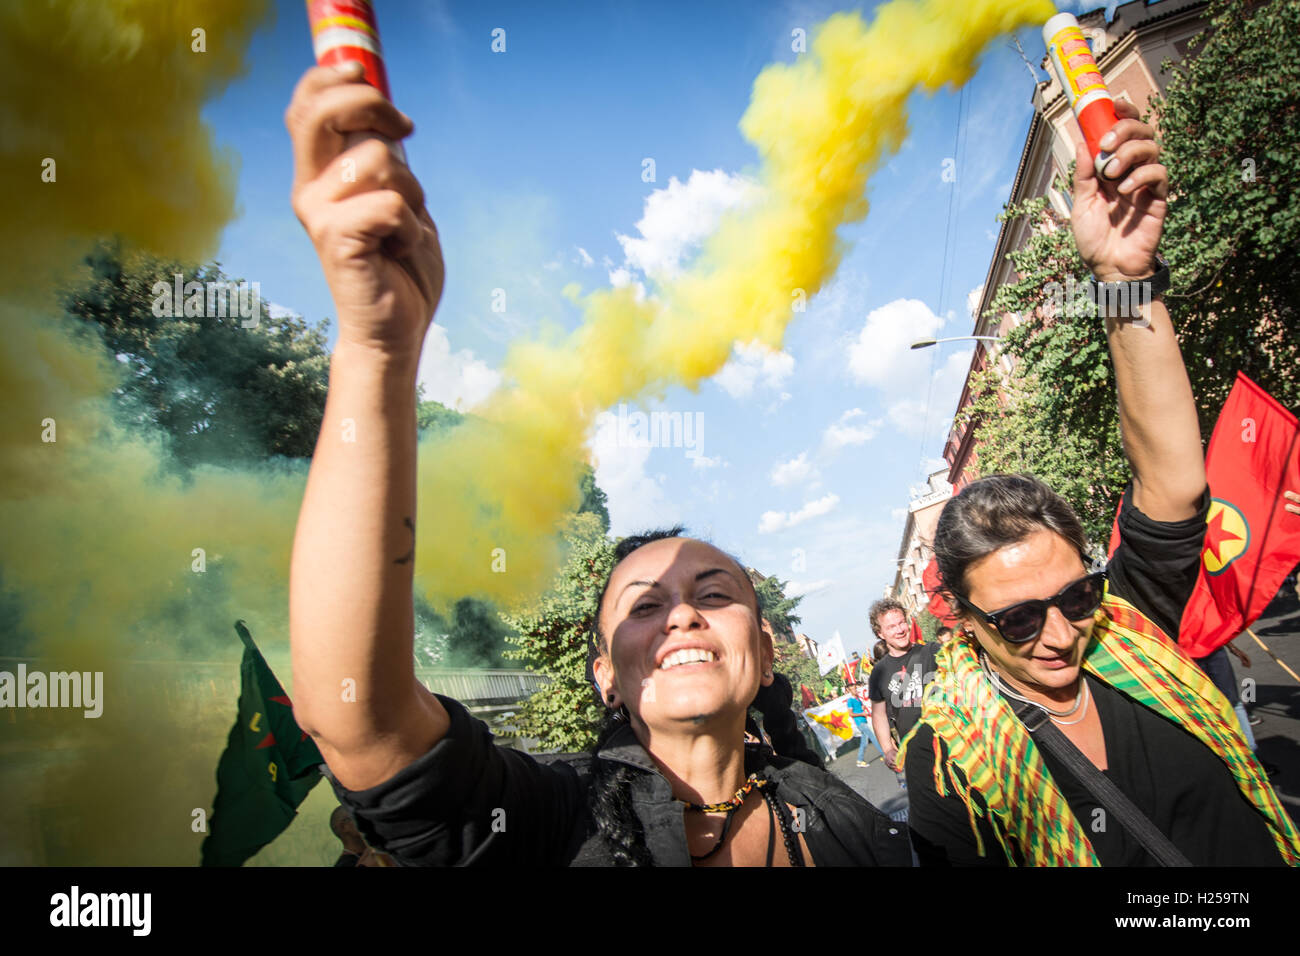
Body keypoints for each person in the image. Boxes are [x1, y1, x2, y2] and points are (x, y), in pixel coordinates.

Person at [282, 65, 909, 866]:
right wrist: (377, 349)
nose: (682, 616)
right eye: (645, 607)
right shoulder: (547, 822)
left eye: (713, 596)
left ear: (765, 651)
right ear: (605, 675)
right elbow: (357, 718)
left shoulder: (855, 830)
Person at [899, 100, 1300, 867]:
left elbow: (1172, 479)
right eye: (1017, 620)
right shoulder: (948, 765)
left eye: (1077, 596)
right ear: (960, 616)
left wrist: (1123, 277)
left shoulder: (1132, 623)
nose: (1059, 634)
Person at [867, 598, 940, 788]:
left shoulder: (932, 652)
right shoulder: (879, 672)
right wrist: (888, 749)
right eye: (891, 627)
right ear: (880, 633)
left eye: (901, 623)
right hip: (917, 756)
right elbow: (879, 715)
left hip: (949, 746)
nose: (900, 630)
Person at [846, 685, 882, 767]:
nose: (855, 690)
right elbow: (850, 713)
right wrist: (861, 713)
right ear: (849, 691)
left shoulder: (858, 699)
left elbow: (861, 708)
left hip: (863, 721)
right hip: (860, 722)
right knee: (873, 737)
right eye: (852, 689)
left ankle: (860, 760)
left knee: (864, 742)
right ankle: (884, 754)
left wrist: (862, 708)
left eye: (855, 688)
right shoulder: (850, 701)